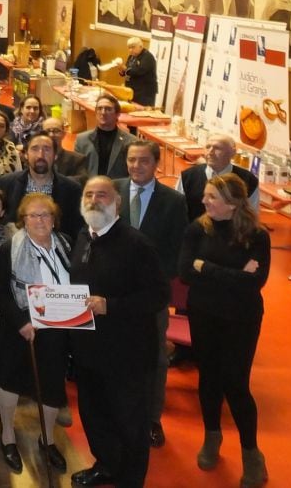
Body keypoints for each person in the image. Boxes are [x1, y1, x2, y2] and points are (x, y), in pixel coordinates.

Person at [68, 177, 168, 488]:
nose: (94, 199)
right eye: (89, 194)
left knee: (129, 423)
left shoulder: (137, 244)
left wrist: (111, 305)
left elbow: (159, 295)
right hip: (89, 350)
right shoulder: (84, 236)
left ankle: (130, 479)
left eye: (102, 194)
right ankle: (106, 465)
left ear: (117, 203)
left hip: (127, 353)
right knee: (95, 416)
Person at [178, 173, 270, 487]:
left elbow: (256, 282)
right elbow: (186, 272)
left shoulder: (257, 235)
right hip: (204, 315)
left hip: (241, 319)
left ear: (232, 204)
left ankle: (251, 453)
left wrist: (207, 268)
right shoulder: (196, 229)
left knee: (236, 384)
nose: (204, 201)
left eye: (211, 198)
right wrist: (232, 273)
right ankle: (212, 436)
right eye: (205, 196)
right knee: (210, 379)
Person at [115, 139, 189, 448]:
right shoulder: (112, 190)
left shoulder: (173, 201)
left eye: (143, 161)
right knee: (116, 355)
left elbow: (176, 250)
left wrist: (152, 281)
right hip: (115, 293)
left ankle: (152, 419)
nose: (136, 166)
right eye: (131, 160)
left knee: (155, 358)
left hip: (151, 295)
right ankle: (118, 413)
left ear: (156, 163)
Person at [0, 192, 72, 477]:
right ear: (23, 219)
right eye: (33, 215)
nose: (40, 220)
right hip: (20, 328)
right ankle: (8, 437)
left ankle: (47, 440)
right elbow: (0, 292)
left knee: (51, 386)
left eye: (45, 215)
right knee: (10, 380)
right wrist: (21, 322)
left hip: (57, 330)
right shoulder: (10, 247)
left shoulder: (65, 244)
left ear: (54, 219)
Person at [0, 134, 85, 240]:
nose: (41, 155)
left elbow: (77, 230)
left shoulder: (72, 189)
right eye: (35, 149)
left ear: (55, 156)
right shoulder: (7, 183)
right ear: (26, 154)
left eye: (47, 149)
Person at [177, 133, 260, 216]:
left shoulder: (248, 180)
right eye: (208, 147)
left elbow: (251, 216)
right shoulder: (188, 177)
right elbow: (177, 209)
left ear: (232, 153)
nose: (210, 152)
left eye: (217, 148)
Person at [73, 92, 133, 179]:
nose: (103, 112)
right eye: (99, 109)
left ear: (117, 114)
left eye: (108, 109)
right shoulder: (82, 140)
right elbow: (77, 171)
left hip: (116, 190)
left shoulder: (130, 141)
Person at [43, 117, 90, 185]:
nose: (51, 135)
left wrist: (55, 180)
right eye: (47, 131)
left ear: (64, 134)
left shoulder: (77, 159)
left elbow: (82, 180)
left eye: (56, 131)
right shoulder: (35, 159)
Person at [117, 37, 158, 106]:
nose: (130, 50)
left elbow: (139, 71)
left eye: (132, 47)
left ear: (140, 46)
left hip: (144, 93)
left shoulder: (147, 57)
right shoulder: (131, 56)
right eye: (129, 48)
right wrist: (122, 71)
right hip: (132, 91)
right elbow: (128, 70)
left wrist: (125, 69)